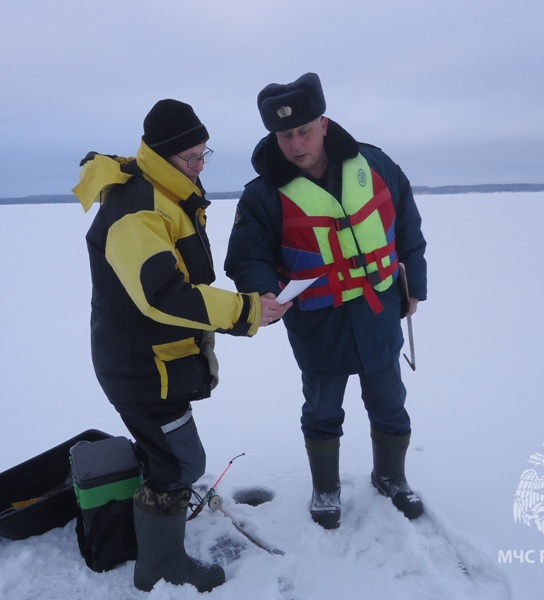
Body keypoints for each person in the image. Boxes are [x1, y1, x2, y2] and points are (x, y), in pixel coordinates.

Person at [73, 99, 290, 592]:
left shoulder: (167, 193)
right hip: (141, 368)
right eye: (190, 157)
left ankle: (157, 530)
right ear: (162, 154)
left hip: (159, 359)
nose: (199, 166)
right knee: (181, 464)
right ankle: (159, 566)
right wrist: (247, 311)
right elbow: (161, 293)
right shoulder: (138, 210)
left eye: (202, 155)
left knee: (169, 458)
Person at [225, 73, 428, 529]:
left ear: (323, 123)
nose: (296, 144)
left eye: (303, 131)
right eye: (284, 135)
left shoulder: (375, 165)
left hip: (377, 315)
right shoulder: (262, 196)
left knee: (390, 401)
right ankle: (325, 489)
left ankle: (391, 477)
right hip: (319, 324)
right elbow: (246, 257)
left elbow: (408, 227)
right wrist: (263, 291)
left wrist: (414, 284)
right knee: (321, 411)